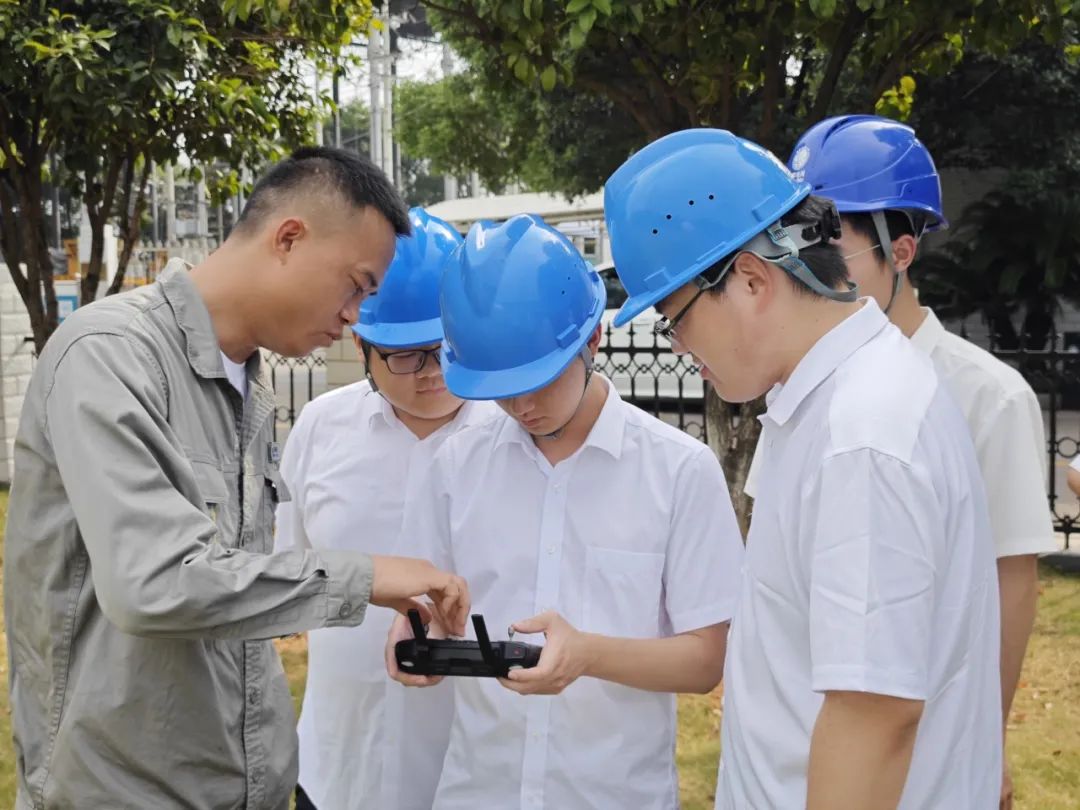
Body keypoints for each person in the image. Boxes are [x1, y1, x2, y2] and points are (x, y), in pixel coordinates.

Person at [4, 147, 470, 810]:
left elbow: (235, 597)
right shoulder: (108, 356)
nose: (355, 317)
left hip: (239, 784)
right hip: (122, 792)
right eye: (357, 285)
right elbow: (155, 582)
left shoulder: (249, 387)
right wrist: (366, 577)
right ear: (288, 238)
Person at [603, 128, 1001, 809]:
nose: (678, 346)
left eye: (677, 319)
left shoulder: (861, 433)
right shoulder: (833, 399)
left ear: (752, 281)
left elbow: (873, 716)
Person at [387, 214, 744, 809]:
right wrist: (414, 627)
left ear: (593, 340)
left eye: (540, 379)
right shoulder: (452, 466)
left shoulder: (679, 471)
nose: (522, 405)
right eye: (500, 385)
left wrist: (588, 655)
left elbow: (707, 658)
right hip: (478, 791)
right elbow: (424, 600)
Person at [786, 113, 1056, 809]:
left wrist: (987, 739)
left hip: (929, 746)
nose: (808, 266)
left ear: (901, 250)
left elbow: (1011, 583)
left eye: (829, 241)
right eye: (794, 239)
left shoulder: (988, 397)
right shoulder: (802, 391)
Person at [275, 207, 496, 810]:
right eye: (407, 355)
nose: (432, 374)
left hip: (471, 779)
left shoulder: (515, 439)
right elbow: (279, 578)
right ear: (361, 343)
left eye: (446, 348)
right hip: (337, 770)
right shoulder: (321, 429)